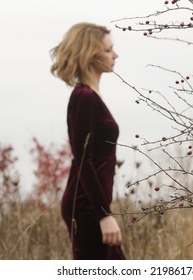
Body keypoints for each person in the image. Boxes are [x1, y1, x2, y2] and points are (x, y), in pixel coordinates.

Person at [50, 22, 125, 260]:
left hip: (93, 204)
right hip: (85, 207)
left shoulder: (92, 97)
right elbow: (83, 159)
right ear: (90, 55)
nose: (115, 55)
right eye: (108, 49)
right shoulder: (83, 97)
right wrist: (104, 215)